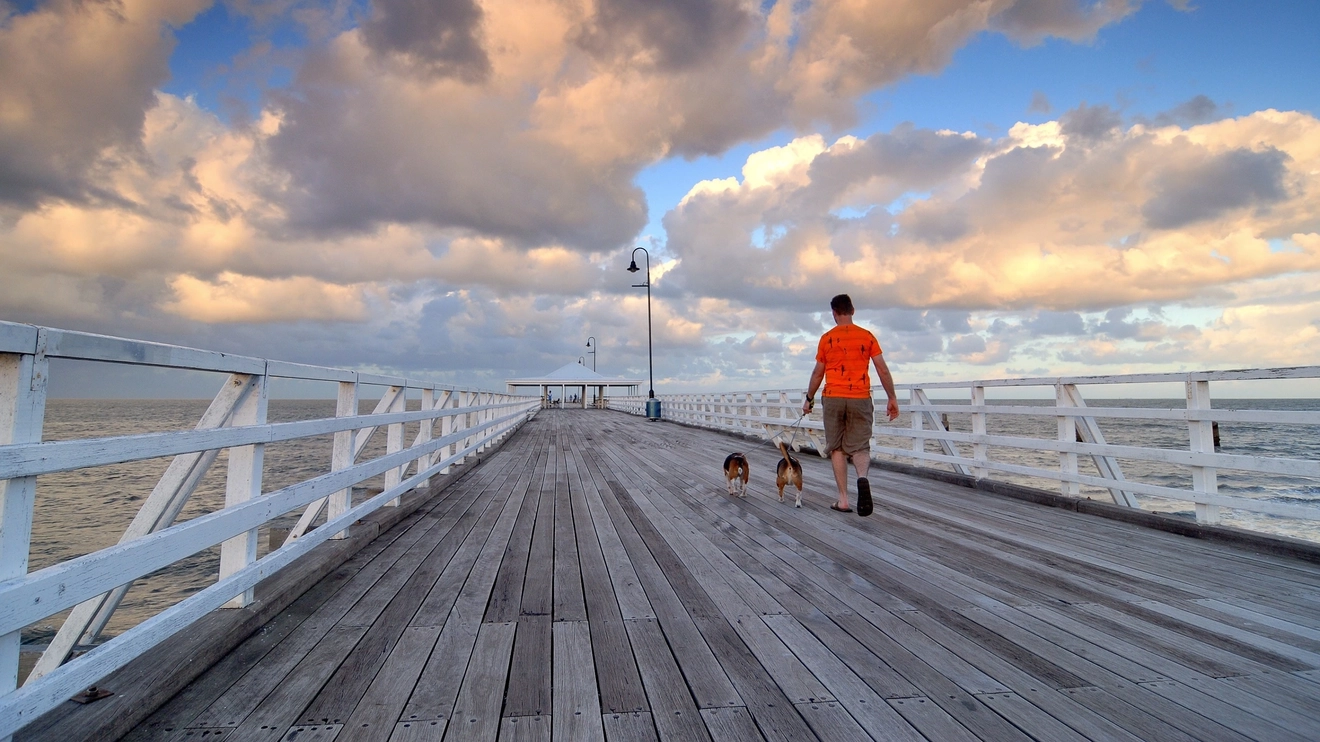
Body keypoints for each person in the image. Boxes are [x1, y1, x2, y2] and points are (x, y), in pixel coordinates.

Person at [801, 294, 899, 516]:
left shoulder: (827, 338)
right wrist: (891, 397)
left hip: (834, 396)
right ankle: (862, 478)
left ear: (834, 313)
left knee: (837, 447)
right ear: (852, 310)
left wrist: (809, 399)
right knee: (860, 446)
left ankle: (843, 500)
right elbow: (882, 369)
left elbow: (818, 373)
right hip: (860, 397)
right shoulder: (867, 337)